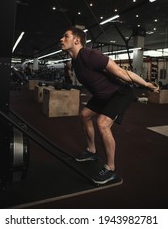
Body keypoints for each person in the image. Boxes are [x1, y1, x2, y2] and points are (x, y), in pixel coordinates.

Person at [60, 26, 159, 185]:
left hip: (119, 94)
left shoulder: (91, 55)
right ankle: (92, 151)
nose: (61, 39)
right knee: (84, 116)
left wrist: (146, 84)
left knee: (102, 124)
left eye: (66, 36)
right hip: (103, 95)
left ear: (77, 40)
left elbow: (122, 73)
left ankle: (110, 169)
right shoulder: (74, 60)